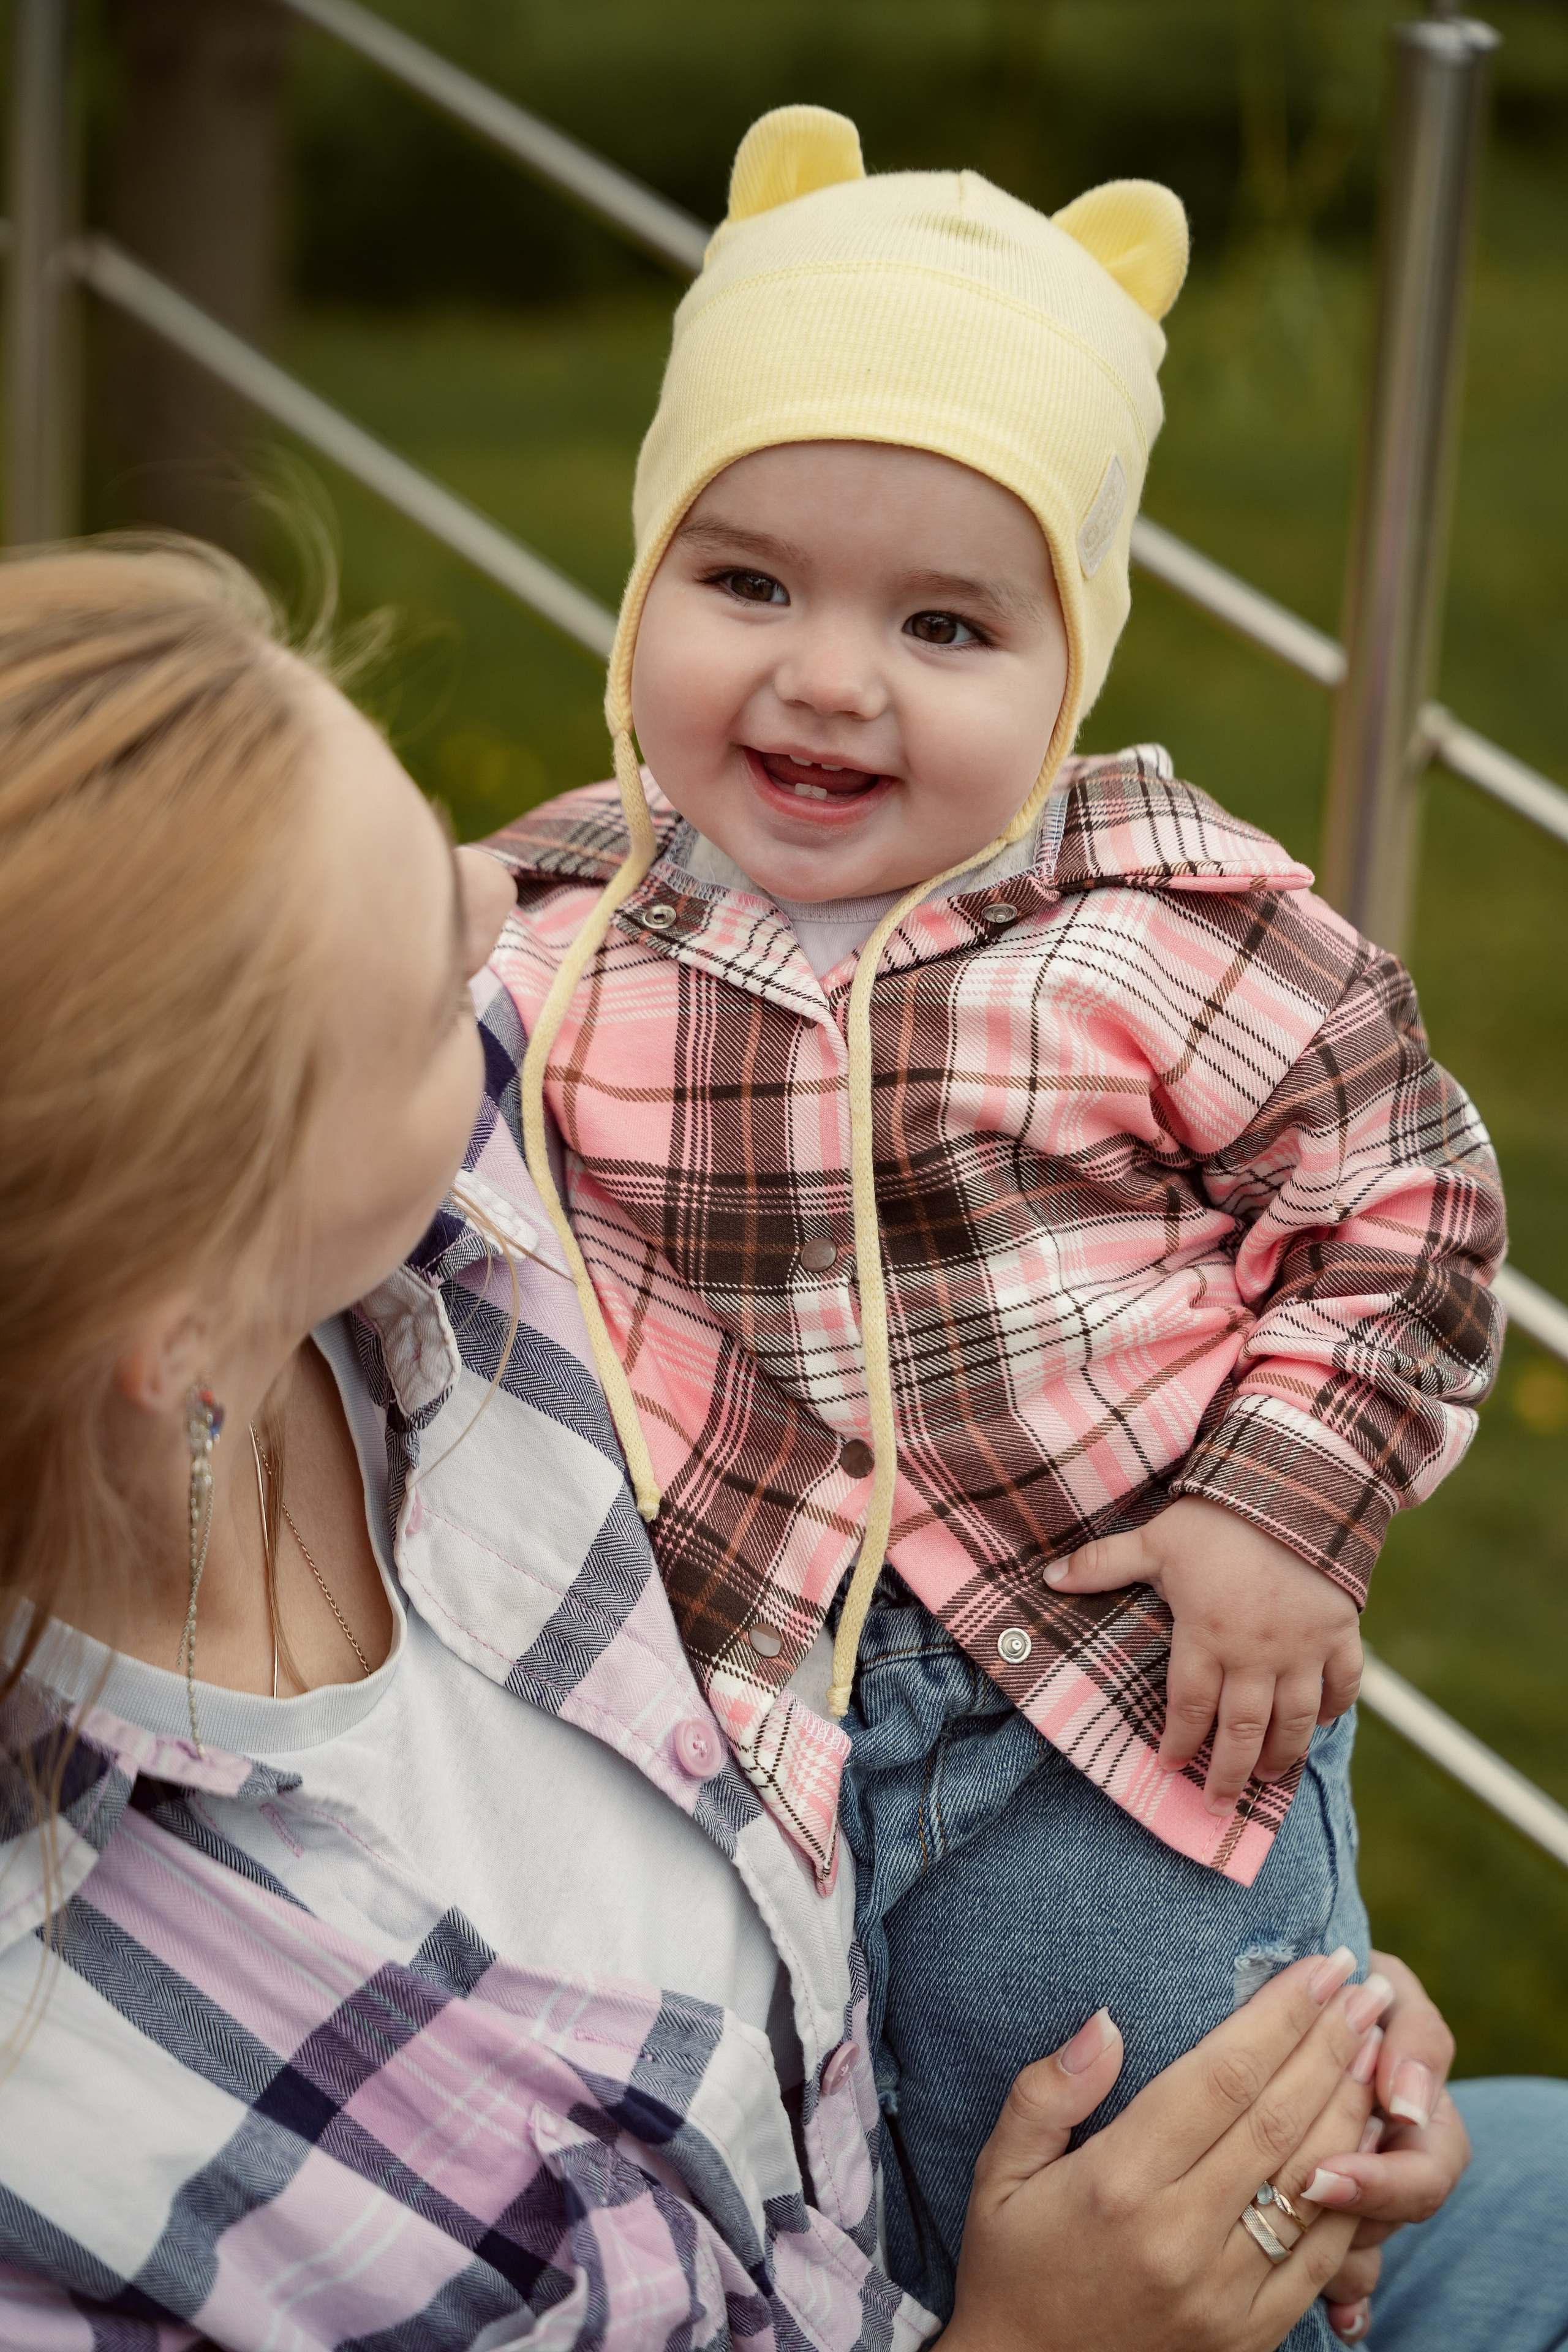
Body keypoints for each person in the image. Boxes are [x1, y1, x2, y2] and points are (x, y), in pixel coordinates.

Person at [0, 537, 1561, 2352]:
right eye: (431, 985)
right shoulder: (76, 2125)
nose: (516, 884)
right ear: (181, 1318)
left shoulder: (524, 1182)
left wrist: (1264, 2016)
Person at [481, 107, 1507, 2337]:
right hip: (737, 1730)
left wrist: (1285, 1507)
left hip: (1114, 1719)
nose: (831, 677)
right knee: (836, 2206)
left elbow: (1407, 1205)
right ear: (644, 574)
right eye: (746, 583)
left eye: (945, 622)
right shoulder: (550, 934)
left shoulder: (1158, 935)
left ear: (1077, 661)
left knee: (1208, 2177)